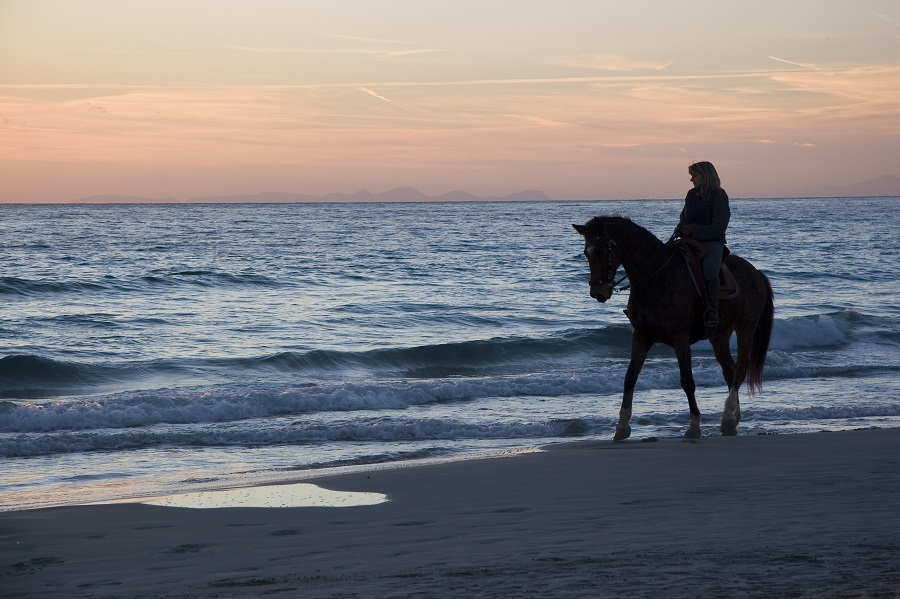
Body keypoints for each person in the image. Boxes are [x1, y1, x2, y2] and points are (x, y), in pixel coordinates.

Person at [672, 161, 730, 328]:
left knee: (710, 271)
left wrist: (693, 230)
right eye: (692, 176)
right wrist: (681, 227)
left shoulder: (719, 196)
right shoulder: (691, 195)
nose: (692, 180)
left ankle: (711, 310)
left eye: (695, 176)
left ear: (706, 176)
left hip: (712, 242)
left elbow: (719, 227)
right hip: (689, 240)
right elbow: (684, 216)